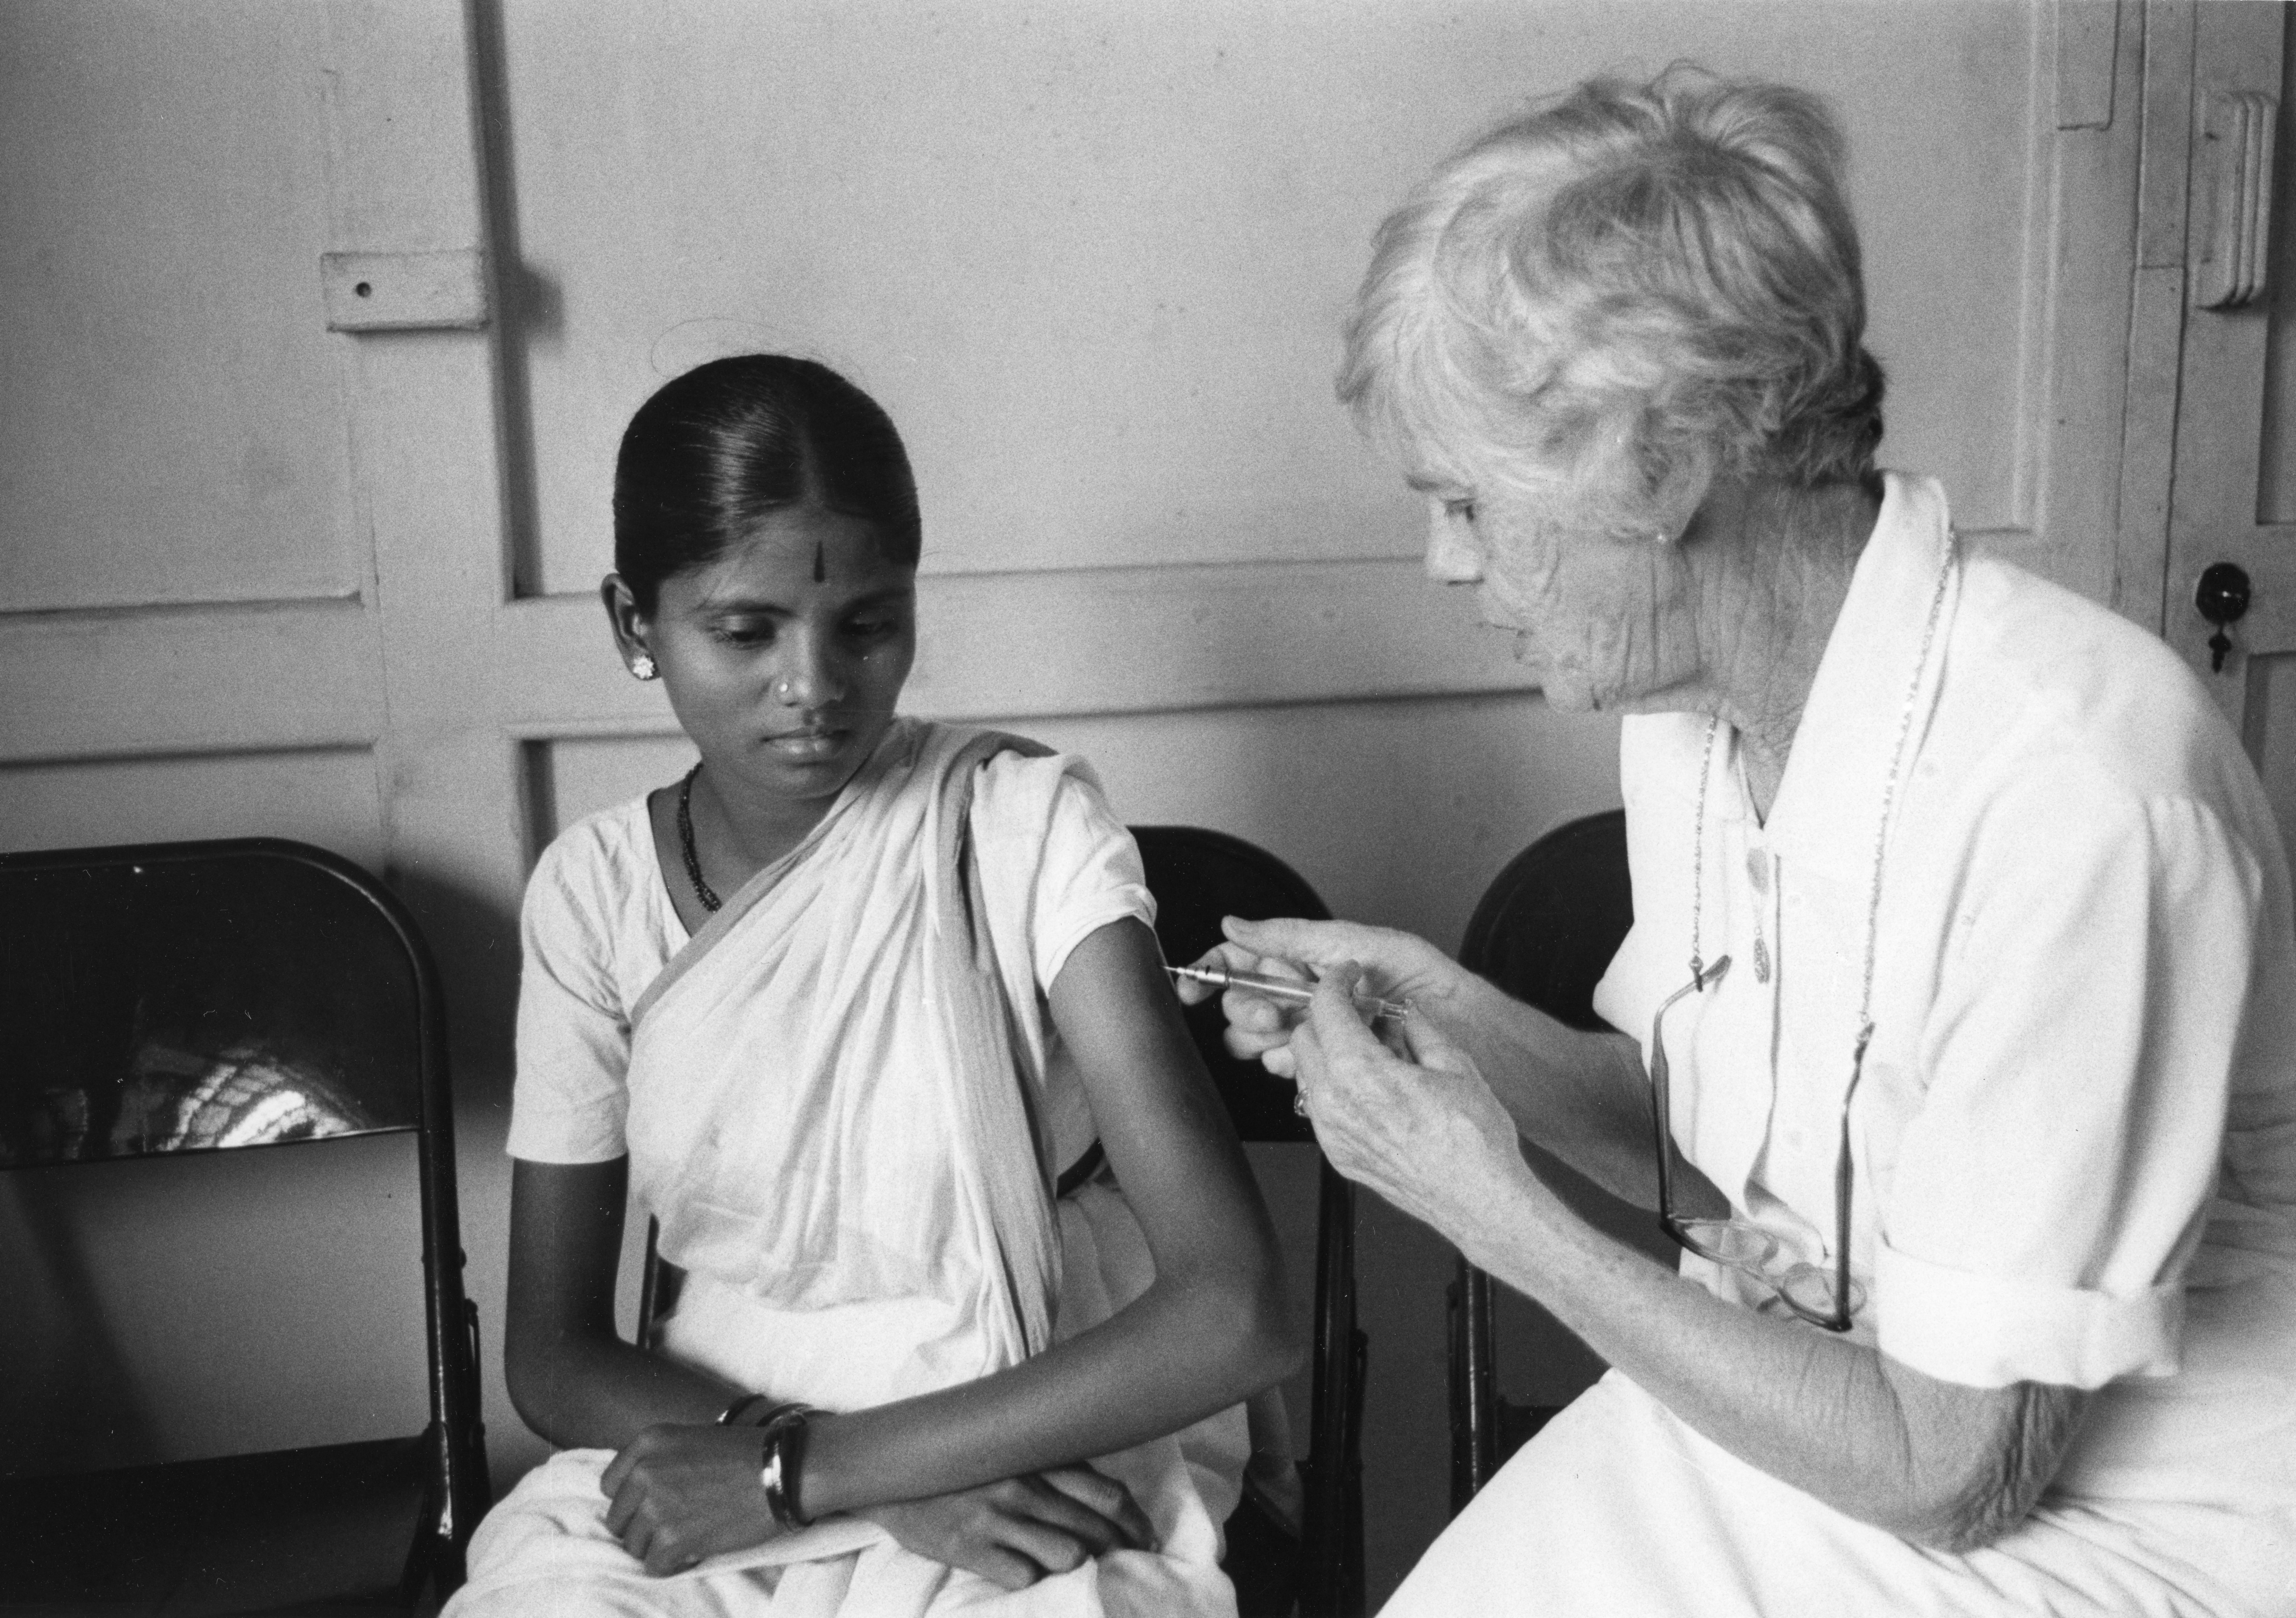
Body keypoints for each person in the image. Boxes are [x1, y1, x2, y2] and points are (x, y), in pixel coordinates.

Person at [1185, 69, 2296, 1616]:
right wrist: (1449, 1020)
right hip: (1817, 1420)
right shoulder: (1691, 701)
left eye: (1463, 504)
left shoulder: (2081, 795)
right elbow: (1720, 1162)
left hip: (2110, 1530)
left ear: (1654, 470)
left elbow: (1955, 1470)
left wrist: (1482, 1209)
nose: (1446, 567)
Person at [448, 354, 1300, 1617]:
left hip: (1038, 1423)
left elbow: (1237, 1309)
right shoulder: (593, 892)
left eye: (867, 623)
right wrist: (817, 1470)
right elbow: (554, 1352)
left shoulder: (1021, 828)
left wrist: (827, 1469)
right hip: (713, 1435)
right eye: (745, 631)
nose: (816, 686)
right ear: (635, 622)